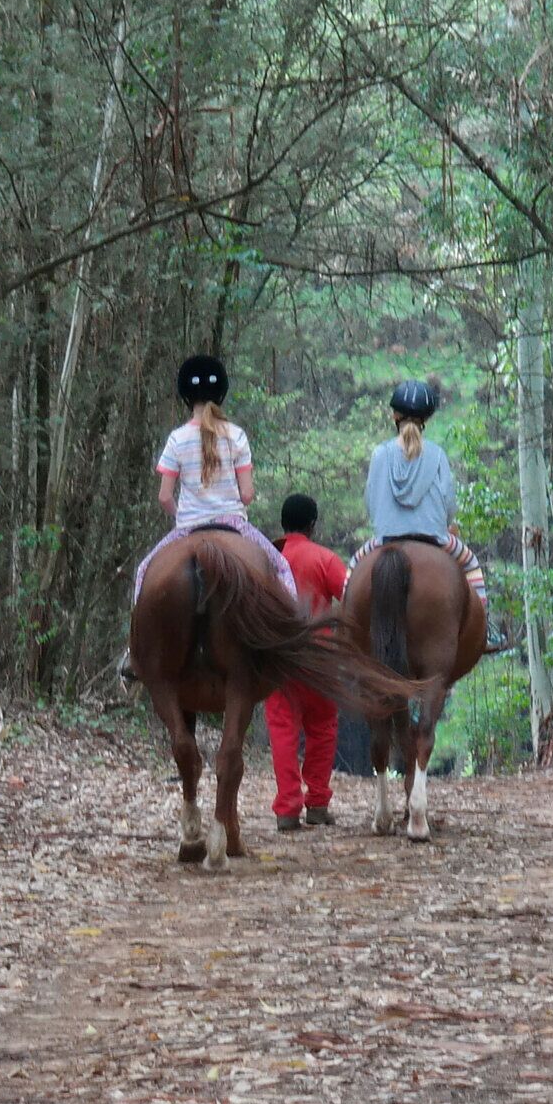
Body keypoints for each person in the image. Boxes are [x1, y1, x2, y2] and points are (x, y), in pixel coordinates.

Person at [137, 353, 289, 596]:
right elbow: (247, 494)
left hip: (189, 525)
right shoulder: (236, 435)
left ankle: (139, 635)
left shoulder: (177, 439)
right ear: (221, 394)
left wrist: (182, 516)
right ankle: (290, 632)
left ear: (186, 396)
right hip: (232, 521)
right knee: (282, 569)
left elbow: (164, 496)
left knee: (144, 572)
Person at [358, 377, 487, 607]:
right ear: (426, 419)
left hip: (385, 538)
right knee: (471, 564)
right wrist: (445, 523)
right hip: (434, 537)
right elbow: (448, 503)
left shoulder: (380, 454)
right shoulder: (437, 455)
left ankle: (343, 630)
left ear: (394, 416)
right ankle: (486, 633)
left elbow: (371, 501)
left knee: (353, 571)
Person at [265, 493, 348, 831]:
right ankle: (317, 804)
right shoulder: (325, 559)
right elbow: (351, 595)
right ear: (313, 524)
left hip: (280, 658)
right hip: (320, 659)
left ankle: (287, 809)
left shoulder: (269, 559)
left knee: (283, 730)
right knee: (323, 728)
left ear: (283, 524)